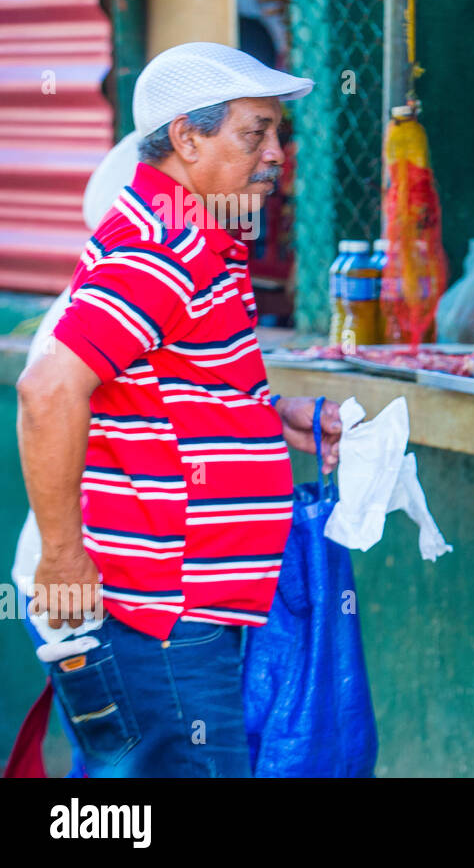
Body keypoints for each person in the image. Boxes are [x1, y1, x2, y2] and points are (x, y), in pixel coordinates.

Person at [15, 42, 342, 778]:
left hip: (178, 605)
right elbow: (48, 391)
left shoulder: (194, 235)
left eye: (277, 135)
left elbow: (157, 384)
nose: (276, 155)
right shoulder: (165, 246)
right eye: (254, 134)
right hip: (163, 611)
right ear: (188, 138)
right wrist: (64, 558)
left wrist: (270, 412)